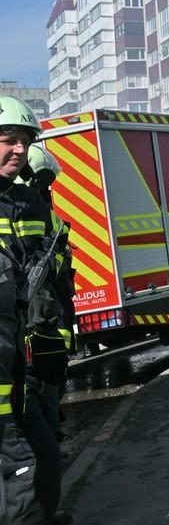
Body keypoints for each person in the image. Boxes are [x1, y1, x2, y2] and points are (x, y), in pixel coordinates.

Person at [0, 97, 56, 523]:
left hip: (16, 365)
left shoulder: (22, 201)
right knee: (22, 471)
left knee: (42, 460)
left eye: (24, 142)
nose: (19, 150)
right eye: (9, 140)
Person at [16, 145, 74, 525]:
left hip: (45, 318)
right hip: (33, 324)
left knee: (49, 386)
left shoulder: (36, 201)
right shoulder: (24, 205)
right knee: (40, 396)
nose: (45, 184)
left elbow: (51, 256)